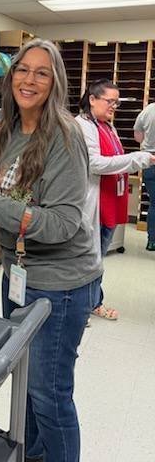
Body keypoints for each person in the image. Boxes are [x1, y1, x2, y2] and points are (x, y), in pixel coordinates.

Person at [0, 39, 101, 462]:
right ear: (10, 76)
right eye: (22, 69)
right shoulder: (12, 130)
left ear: (56, 83)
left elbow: (64, 224)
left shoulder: (64, 138)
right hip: (21, 276)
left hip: (60, 286)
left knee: (50, 396)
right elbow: (0, 186)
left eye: (42, 72)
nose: (29, 80)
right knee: (28, 383)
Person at [76, 80, 154, 320]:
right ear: (92, 99)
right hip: (94, 202)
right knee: (89, 260)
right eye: (110, 101)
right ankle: (82, 309)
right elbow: (95, 164)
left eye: (116, 102)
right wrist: (139, 159)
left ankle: (92, 303)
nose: (114, 106)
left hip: (109, 201)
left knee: (97, 259)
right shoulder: (82, 126)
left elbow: (115, 156)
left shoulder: (107, 126)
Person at [134, 102, 155, 250]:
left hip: (149, 161)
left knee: (154, 203)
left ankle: (152, 241)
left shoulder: (147, 110)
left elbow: (138, 138)